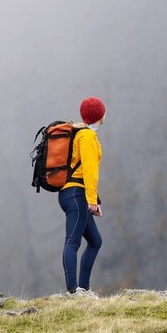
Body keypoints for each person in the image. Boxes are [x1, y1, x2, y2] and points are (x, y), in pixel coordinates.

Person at [60, 96, 106, 297]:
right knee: (73, 241)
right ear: (99, 115)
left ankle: (84, 289)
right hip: (76, 194)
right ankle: (73, 291)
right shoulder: (86, 136)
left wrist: (95, 199)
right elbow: (89, 170)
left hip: (73, 192)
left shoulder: (81, 133)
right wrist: (91, 200)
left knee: (95, 241)